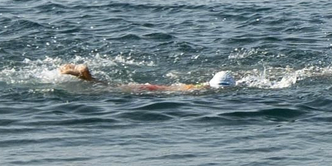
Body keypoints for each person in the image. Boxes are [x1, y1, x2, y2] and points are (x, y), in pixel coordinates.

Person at [58, 63, 236, 93]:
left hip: (157, 88)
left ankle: (88, 77)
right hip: (153, 91)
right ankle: (86, 77)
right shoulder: (203, 92)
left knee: (113, 86)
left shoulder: (203, 86)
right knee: (111, 89)